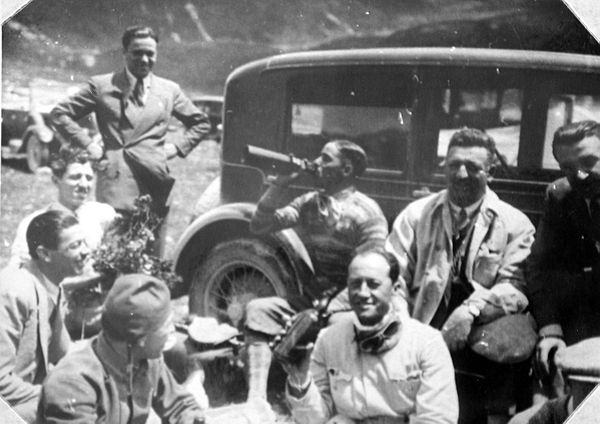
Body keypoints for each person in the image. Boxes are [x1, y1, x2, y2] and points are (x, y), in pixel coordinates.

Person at [385, 128, 535, 424]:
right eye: (454, 165)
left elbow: (514, 286)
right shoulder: (416, 215)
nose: (462, 174)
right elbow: (392, 274)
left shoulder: (515, 222)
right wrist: (405, 326)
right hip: (420, 322)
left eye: (473, 167)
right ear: (444, 167)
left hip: (480, 332)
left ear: (491, 173)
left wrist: (470, 310)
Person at [244, 139, 389, 401]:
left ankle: (329, 401)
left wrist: (326, 309)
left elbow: (373, 275)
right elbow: (259, 225)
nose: (317, 164)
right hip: (315, 300)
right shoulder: (309, 202)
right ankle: (256, 400)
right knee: (258, 310)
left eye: (325, 159)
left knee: (337, 325)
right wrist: (279, 185)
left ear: (345, 170)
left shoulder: (367, 212)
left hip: (352, 301)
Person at [50, 25, 211, 256]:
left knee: (149, 261)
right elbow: (59, 113)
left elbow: (201, 123)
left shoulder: (169, 90)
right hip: (115, 186)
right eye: (137, 52)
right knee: (113, 259)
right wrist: (88, 145)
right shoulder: (101, 86)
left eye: (150, 54)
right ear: (124, 53)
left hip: (155, 187)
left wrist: (177, 147)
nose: (144, 59)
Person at [284, 249, 459, 424]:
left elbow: (437, 419)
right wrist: (299, 379)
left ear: (395, 288)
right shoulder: (328, 339)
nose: (363, 292)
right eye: (355, 283)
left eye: (373, 284)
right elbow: (314, 420)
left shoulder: (427, 343)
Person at [37, 273, 206, 424]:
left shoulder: (146, 359)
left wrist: (191, 418)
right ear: (141, 338)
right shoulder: (71, 384)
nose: (172, 331)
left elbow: (179, 405)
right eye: (166, 325)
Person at [527, 120, 600, 396]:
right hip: (577, 323)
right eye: (567, 168)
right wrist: (550, 328)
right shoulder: (559, 195)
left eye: (589, 161)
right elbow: (539, 266)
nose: (580, 175)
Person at [0, 210, 90, 423]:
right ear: (45, 254)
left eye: (84, 242)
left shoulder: (50, 286)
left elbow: (64, 352)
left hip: (26, 398)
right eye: (75, 246)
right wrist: (56, 396)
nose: (86, 251)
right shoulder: (13, 292)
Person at [9, 145, 116, 267]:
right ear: (56, 180)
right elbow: (17, 267)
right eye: (75, 177)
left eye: (89, 178)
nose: (84, 185)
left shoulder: (103, 214)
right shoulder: (34, 222)